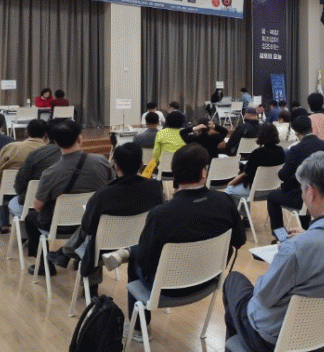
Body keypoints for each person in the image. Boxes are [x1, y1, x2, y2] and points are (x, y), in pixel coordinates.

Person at [222, 152, 324, 351]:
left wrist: (284, 256)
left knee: (233, 281)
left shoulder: (296, 248)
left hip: (277, 338)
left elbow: (263, 297)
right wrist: (308, 236)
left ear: (310, 192)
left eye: (302, 190)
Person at [101, 143, 246, 341]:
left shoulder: (161, 215)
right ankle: (127, 252)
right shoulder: (226, 202)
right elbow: (239, 240)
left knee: (135, 261)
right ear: (204, 172)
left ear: (174, 175)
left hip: (168, 287)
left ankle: (138, 329)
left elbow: (145, 261)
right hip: (209, 280)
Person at [46, 143, 164, 291]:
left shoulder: (103, 195)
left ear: (116, 167)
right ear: (141, 164)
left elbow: (87, 227)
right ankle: (66, 252)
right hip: (140, 244)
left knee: (92, 232)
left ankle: (70, 256)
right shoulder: (155, 187)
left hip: (105, 250)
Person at [25, 120, 113, 276]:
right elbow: (111, 188)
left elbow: (38, 206)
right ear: (80, 139)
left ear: (56, 142)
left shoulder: (50, 173)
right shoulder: (101, 161)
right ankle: (78, 256)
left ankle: (44, 265)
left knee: (30, 218)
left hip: (61, 225)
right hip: (92, 222)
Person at [266, 116, 324, 231]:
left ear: (296, 132)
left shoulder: (296, 149)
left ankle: (280, 236)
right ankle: (305, 229)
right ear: (311, 128)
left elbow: (283, 175)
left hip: (304, 196)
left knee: (272, 196)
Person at [0, 119, 47, 233]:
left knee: (1, 192)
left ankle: (4, 224)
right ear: (46, 134)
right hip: (39, 197)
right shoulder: (50, 152)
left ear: (27, 132)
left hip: (10, 193)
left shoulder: (11, 147)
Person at [9, 119, 63, 222]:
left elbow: (20, 184)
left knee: (13, 203)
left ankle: (20, 231)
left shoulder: (35, 154)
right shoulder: (84, 159)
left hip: (37, 204)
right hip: (72, 211)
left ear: (47, 134)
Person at [225, 124, 286, 199]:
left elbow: (247, 172)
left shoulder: (257, 153)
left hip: (255, 190)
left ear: (260, 135)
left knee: (228, 189)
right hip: (274, 189)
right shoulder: (281, 151)